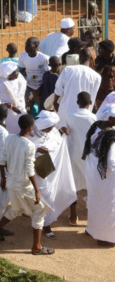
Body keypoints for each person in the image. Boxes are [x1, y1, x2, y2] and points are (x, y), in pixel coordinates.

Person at [0, 114, 54, 255]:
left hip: (10, 182)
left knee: (15, 209)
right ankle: (37, 247)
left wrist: (3, 178)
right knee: (40, 211)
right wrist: (36, 190)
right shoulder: (28, 145)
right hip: (23, 185)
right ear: (31, 127)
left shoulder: (9, 138)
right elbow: (29, 169)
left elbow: (2, 159)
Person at [31, 110, 77, 238]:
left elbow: (56, 142)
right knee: (43, 195)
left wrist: (61, 133)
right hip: (38, 171)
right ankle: (43, 224)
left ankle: (46, 223)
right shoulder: (31, 134)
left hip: (51, 171)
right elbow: (25, 148)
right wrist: (36, 149)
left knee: (50, 195)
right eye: (50, 127)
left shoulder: (53, 132)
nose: (52, 129)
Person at [60, 91, 96, 225]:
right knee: (91, 185)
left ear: (77, 103)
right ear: (91, 103)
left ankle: (73, 216)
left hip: (73, 155)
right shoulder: (93, 118)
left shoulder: (70, 116)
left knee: (73, 185)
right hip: (89, 156)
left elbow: (65, 130)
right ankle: (91, 217)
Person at [83, 102, 115, 246]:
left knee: (94, 202)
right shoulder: (111, 136)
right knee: (107, 206)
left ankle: (91, 229)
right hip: (106, 178)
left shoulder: (96, 126)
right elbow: (112, 162)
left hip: (92, 171)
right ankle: (105, 238)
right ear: (112, 118)